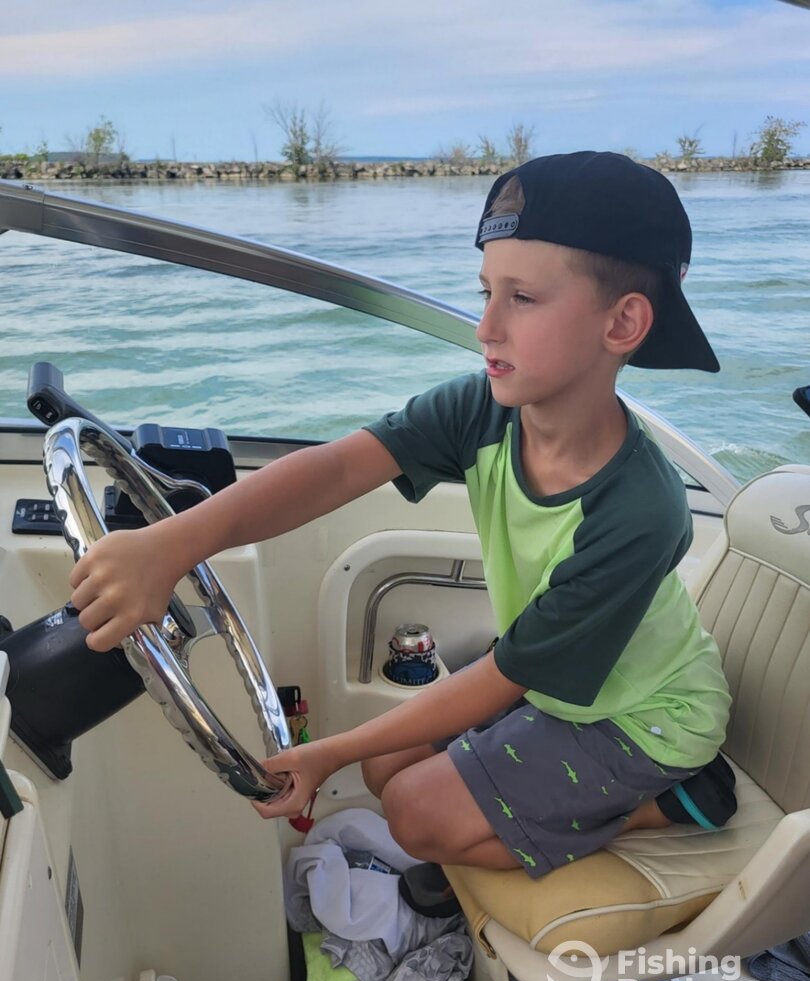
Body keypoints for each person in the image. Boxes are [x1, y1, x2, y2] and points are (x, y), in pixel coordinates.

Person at [69, 151, 735, 882]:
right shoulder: (482, 411)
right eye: (485, 291)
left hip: (645, 717)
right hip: (559, 684)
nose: (486, 327)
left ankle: (667, 806)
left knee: (415, 816)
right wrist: (171, 543)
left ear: (623, 322)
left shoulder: (640, 510)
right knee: (385, 767)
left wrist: (325, 754)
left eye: (522, 298)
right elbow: (336, 468)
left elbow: (506, 675)